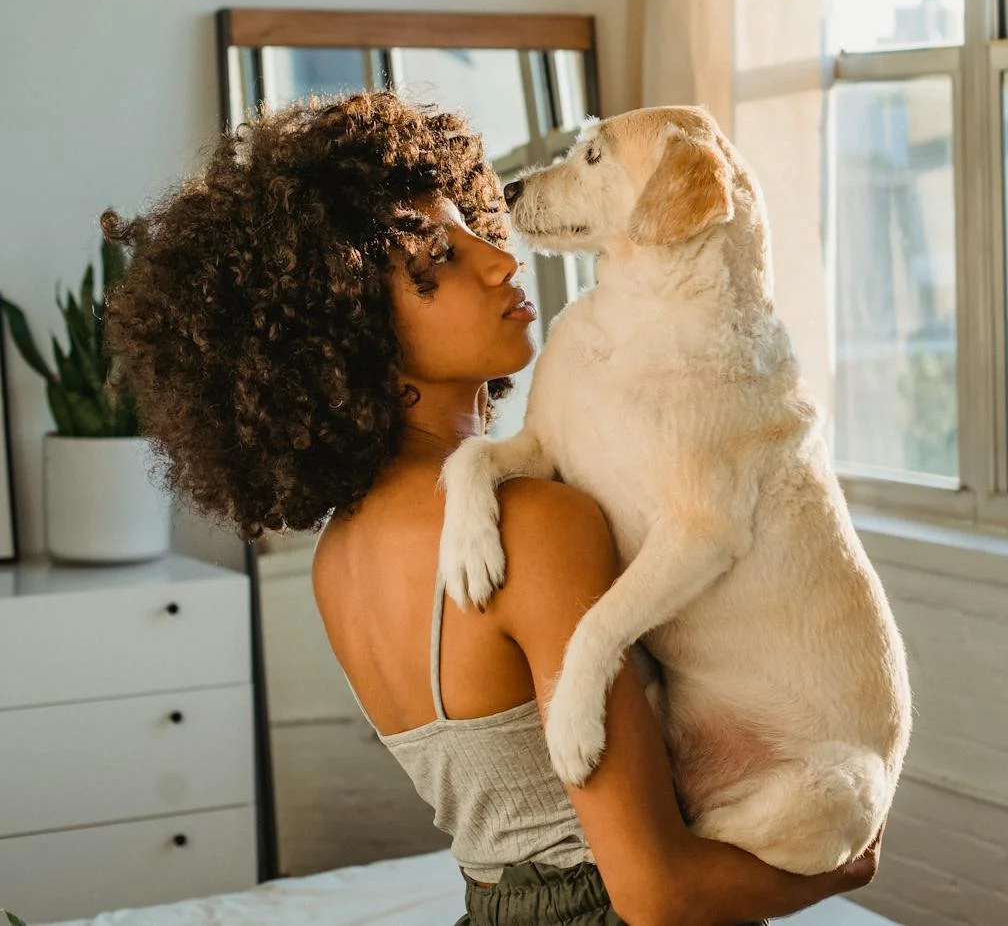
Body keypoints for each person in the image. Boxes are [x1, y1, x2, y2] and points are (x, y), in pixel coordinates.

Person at [105, 91, 880, 926]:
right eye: (439, 260)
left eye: (474, 228)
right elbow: (657, 894)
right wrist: (839, 875)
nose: (502, 259)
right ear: (353, 330)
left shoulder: (338, 558)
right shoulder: (537, 525)